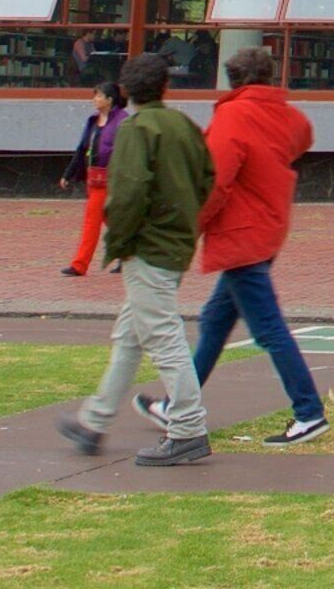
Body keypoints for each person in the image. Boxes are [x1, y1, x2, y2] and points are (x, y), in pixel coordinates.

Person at [152, 47, 326, 445]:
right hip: (266, 224)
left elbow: (214, 180)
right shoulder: (283, 113)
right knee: (216, 320)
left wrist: (190, 228)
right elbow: (302, 135)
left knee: (268, 328)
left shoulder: (233, 115)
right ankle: (177, 402)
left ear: (233, 81)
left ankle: (309, 411)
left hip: (241, 231)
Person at [57, 52, 215, 465]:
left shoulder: (136, 129)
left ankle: (187, 428)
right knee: (130, 336)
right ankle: (94, 421)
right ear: (166, 86)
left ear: (125, 91)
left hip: (147, 247)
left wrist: (119, 244)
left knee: (163, 338)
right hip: (175, 244)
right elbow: (207, 180)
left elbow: (127, 194)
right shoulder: (183, 125)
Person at [58, 80, 128, 277]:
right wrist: (68, 173)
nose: (94, 99)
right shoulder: (93, 121)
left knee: (94, 220)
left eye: (98, 96)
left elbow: (126, 151)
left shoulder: (123, 121)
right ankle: (128, 254)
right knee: (111, 220)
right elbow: (82, 149)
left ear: (110, 99)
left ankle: (80, 264)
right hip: (94, 178)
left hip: (113, 179)